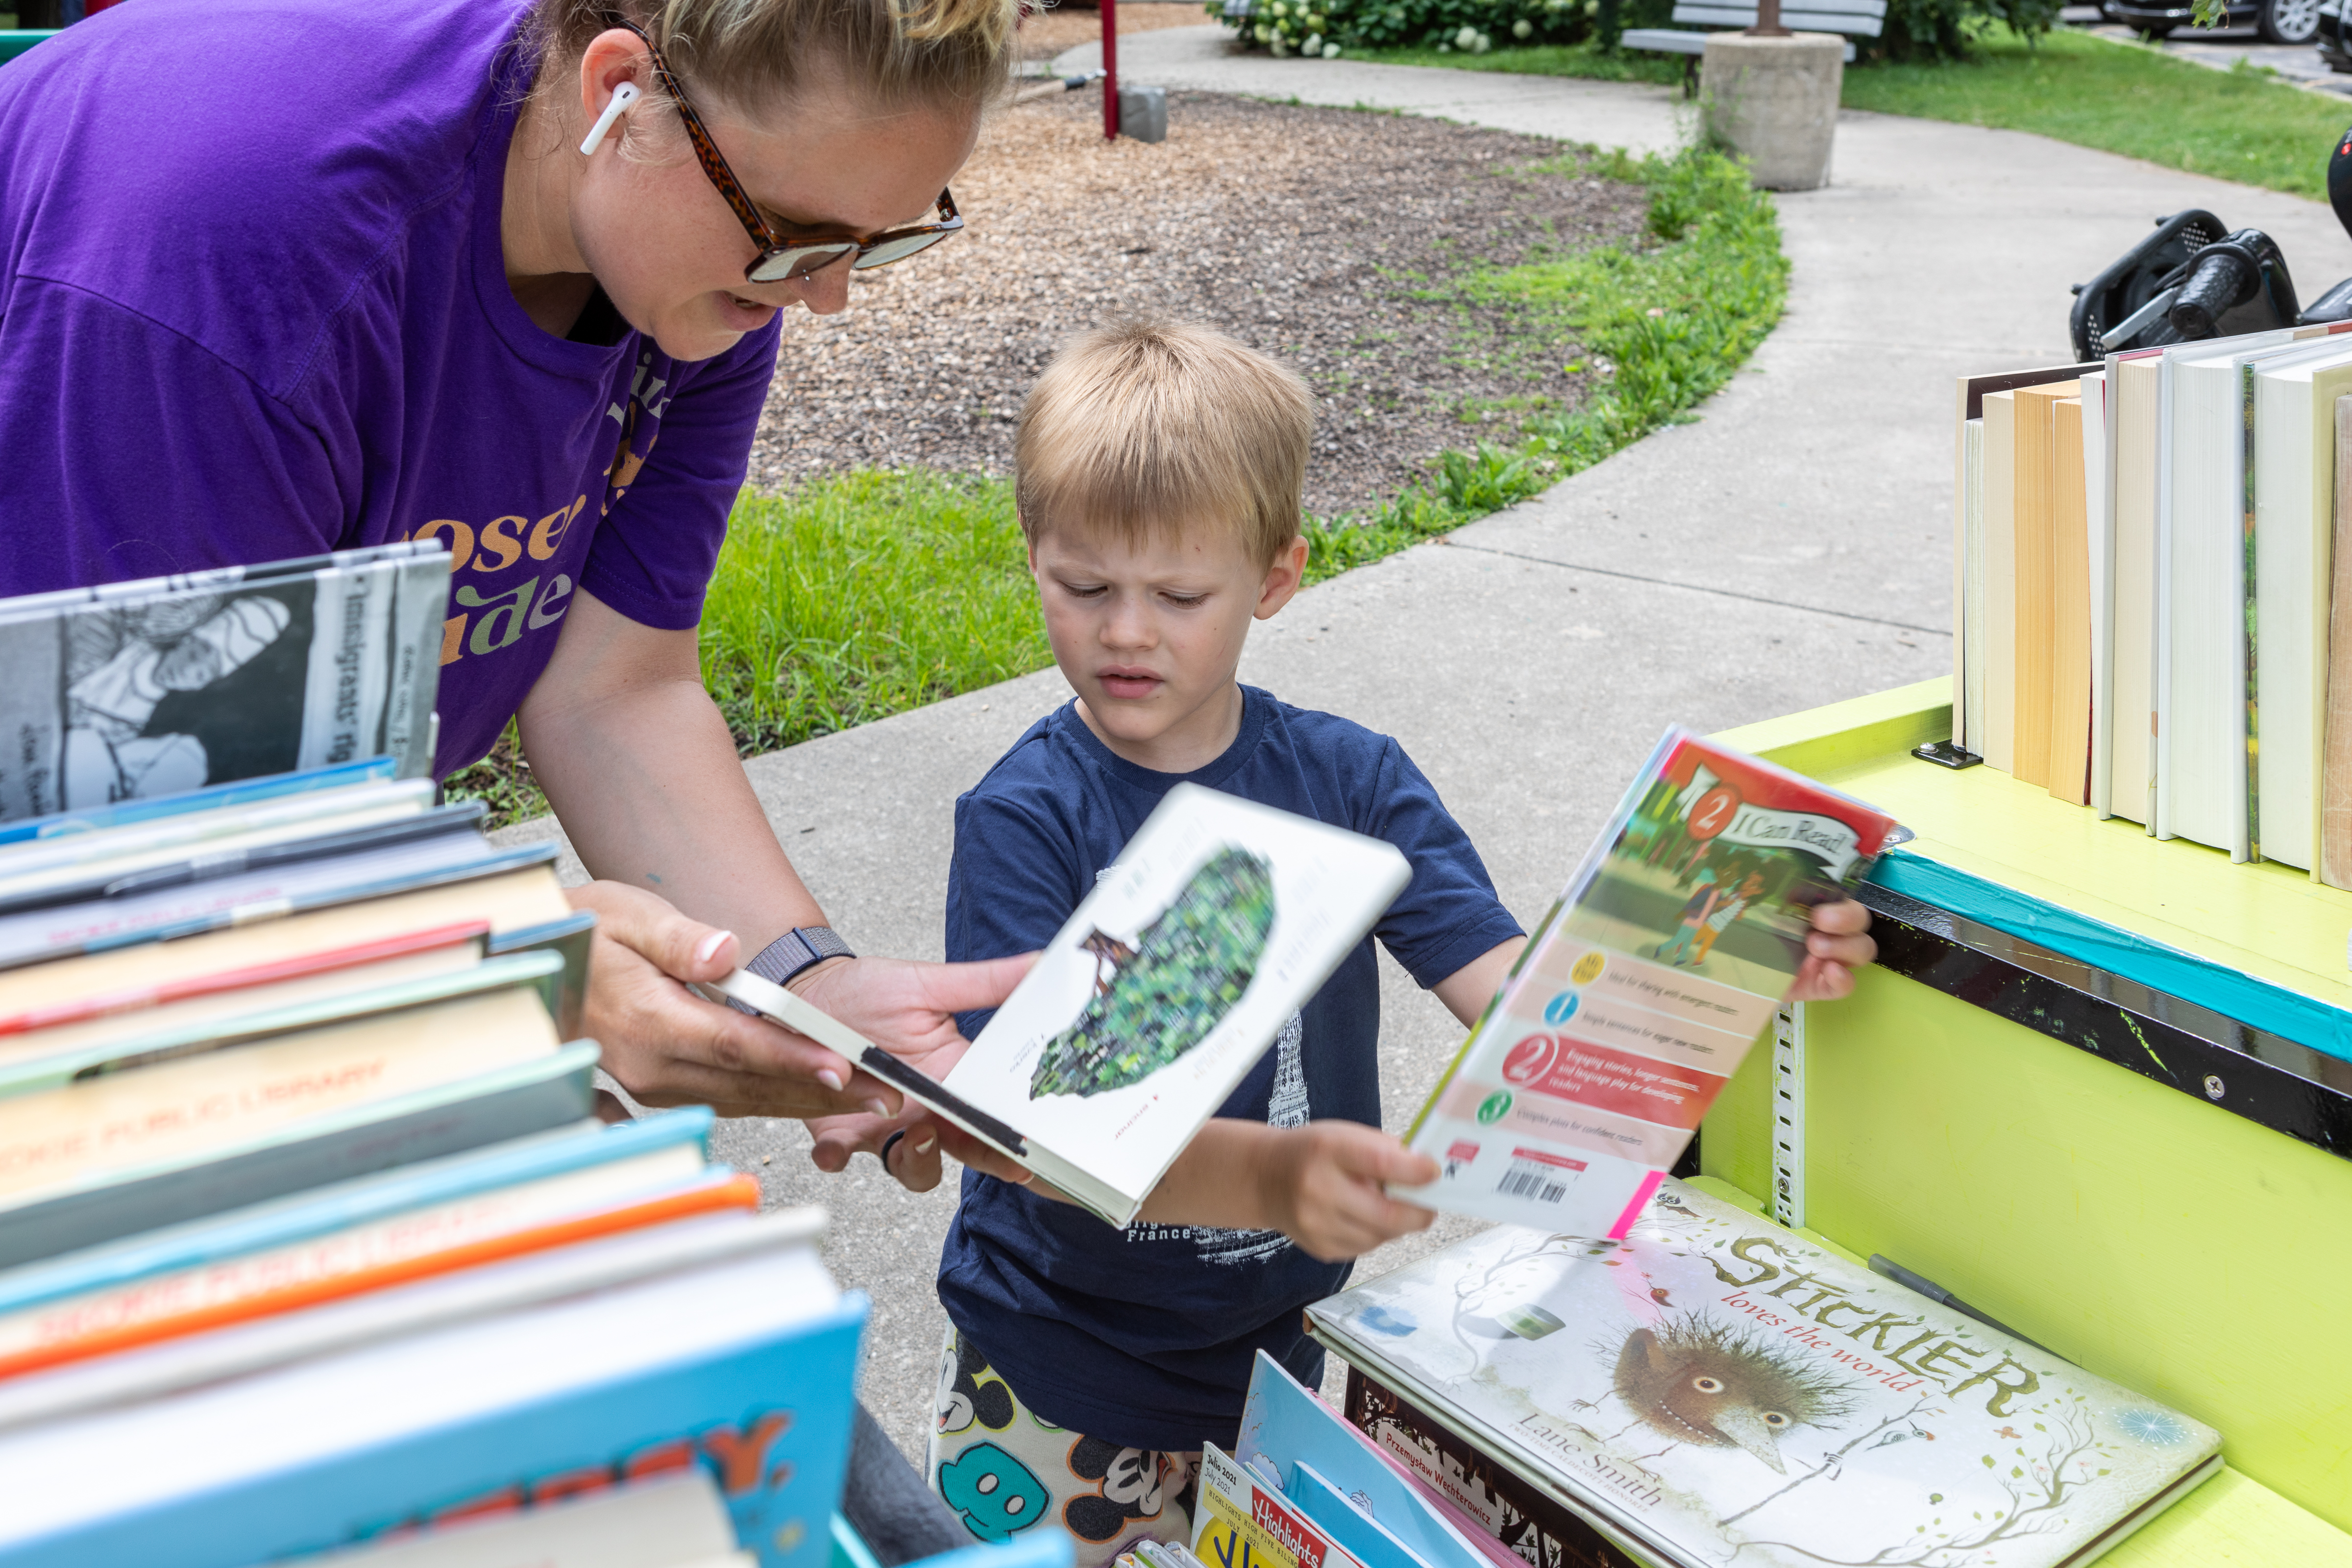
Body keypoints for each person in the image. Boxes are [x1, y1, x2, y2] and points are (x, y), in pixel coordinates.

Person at [808, 319, 1878, 1564]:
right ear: (1034, 559)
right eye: (1084, 586)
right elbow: (1028, 1140)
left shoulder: (1353, 782)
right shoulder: (1027, 817)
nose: (1126, 633)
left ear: (1276, 576)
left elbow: (1525, 1002)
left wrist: (1730, 954)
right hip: (1055, 1365)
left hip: (1278, 1350)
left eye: (1180, 595)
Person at [0, 0, 1029, 1138]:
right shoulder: (233, 256)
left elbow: (614, 690)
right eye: (799, 231)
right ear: (617, 92)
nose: (824, 295)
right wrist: (500, 963)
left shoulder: (705, 267)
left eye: (876, 243)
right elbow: (123, 834)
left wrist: (809, 992)